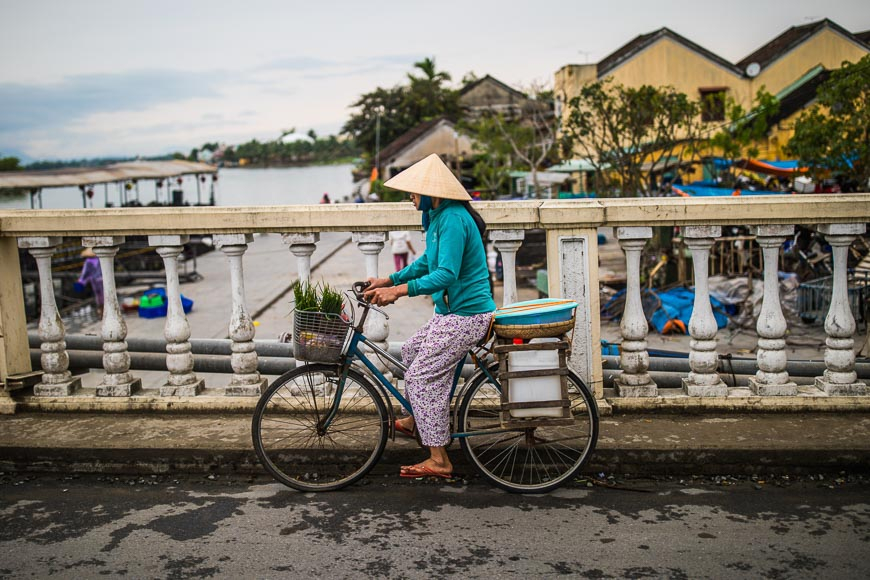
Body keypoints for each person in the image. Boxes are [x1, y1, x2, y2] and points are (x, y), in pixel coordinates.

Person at [364, 154, 495, 479]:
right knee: (410, 351)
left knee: (420, 378)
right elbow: (426, 263)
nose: (410, 197)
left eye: (413, 191)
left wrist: (399, 292)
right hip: (450, 314)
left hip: (466, 316)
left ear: (431, 192)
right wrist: (388, 280)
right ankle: (415, 420)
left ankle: (439, 460)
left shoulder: (452, 218)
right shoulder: (439, 218)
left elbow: (446, 274)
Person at [76, 248, 104, 316]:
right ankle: (103, 309)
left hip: (95, 280)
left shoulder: (88, 262)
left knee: (98, 295)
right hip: (102, 279)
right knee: (103, 294)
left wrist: (80, 281)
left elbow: (85, 273)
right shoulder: (99, 259)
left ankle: (101, 309)